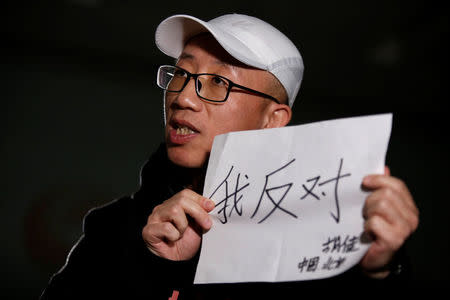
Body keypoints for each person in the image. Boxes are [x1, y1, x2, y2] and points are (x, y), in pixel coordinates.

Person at [40, 14, 419, 299]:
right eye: (181, 74)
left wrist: (379, 274)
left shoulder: (325, 241)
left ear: (273, 120)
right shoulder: (113, 228)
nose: (183, 98)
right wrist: (149, 267)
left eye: (219, 82)